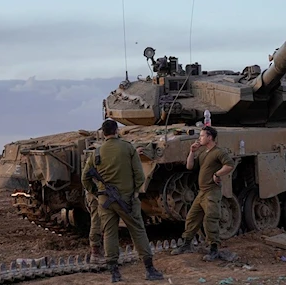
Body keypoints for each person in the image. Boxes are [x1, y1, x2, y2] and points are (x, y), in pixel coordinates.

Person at [82, 119, 164, 283]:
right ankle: (149, 269)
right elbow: (140, 176)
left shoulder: (96, 153)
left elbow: (85, 178)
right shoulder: (128, 148)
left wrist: (96, 193)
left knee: (110, 233)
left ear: (103, 133)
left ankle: (114, 272)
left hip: (105, 201)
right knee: (138, 231)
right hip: (127, 200)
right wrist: (134, 192)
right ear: (117, 131)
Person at [171, 125, 236, 261]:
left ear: (210, 137)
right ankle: (187, 244)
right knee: (192, 218)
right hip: (202, 192)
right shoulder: (203, 153)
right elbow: (189, 166)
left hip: (212, 191)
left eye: (201, 136)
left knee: (210, 219)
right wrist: (192, 152)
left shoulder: (218, 152)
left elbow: (229, 165)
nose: (199, 138)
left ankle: (214, 249)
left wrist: (217, 174)